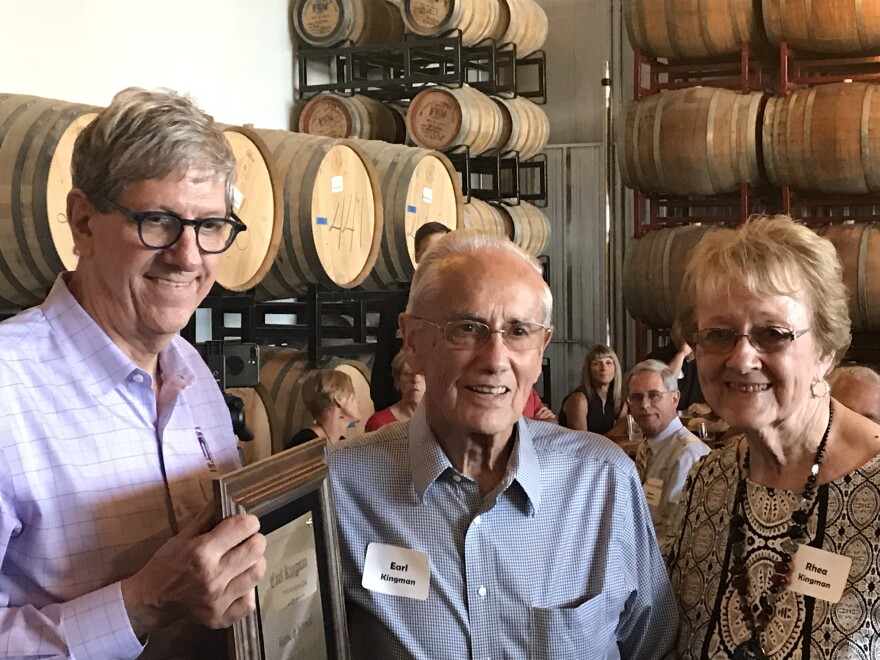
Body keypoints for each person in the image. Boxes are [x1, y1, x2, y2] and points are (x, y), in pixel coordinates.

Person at [0, 88, 266, 658]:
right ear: (83, 222)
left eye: (211, 226)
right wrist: (140, 603)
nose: (188, 256)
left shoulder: (189, 366)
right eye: (158, 221)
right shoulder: (7, 387)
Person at [328, 230, 677, 658]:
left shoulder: (603, 482)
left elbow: (655, 648)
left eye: (518, 332)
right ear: (413, 340)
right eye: (467, 328)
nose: (495, 360)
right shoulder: (341, 488)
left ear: (541, 347)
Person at [666, 215, 880, 659]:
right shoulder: (708, 483)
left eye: (772, 334)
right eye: (719, 334)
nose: (742, 358)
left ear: (824, 350)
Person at [370, 221, 452, 411]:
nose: (436, 259)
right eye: (429, 252)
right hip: (404, 412)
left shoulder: (462, 304)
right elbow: (382, 368)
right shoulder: (394, 306)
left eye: (441, 252)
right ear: (417, 256)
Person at [627, 359, 710, 546]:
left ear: (675, 399)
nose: (645, 405)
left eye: (654, 395)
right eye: (637, 397)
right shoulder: (647, 447)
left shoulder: (688, 454)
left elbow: (677, 532)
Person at [558, 344, 627, 434]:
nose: (604, 368)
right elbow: (582, 441)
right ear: (588, 370)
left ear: (615, 368)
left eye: (608, 362)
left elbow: (619, 436)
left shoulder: (620, 404)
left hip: (605, 448)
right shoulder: (579, 400)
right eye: (596, 363)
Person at [645, 319, 710, 413]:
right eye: (682, 333)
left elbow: (721, 392)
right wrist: (682, 354)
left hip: (697, 420)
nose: (686, 338)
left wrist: (708, 407)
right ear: (672, 334)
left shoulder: (707, 358)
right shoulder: (658, 357)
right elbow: (664, 383)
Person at [287, 369, 361, 447]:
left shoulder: (341, 442)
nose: (358, 401)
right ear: (339, 400)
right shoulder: (306, 441)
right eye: (353, 394)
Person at [365, 350, 425, 432]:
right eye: (408, 374)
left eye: (422, 374)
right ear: (397, 381)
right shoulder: (378, 423)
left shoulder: (441, 421)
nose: (415, 379)